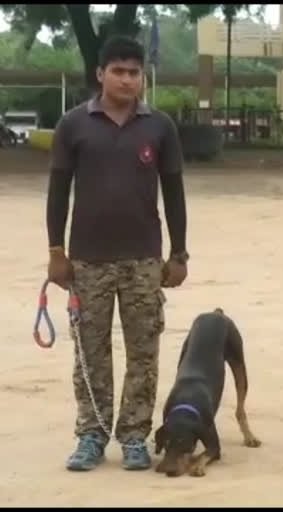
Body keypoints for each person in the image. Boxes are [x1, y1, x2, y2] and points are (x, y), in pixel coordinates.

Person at [46, 35, 189, 471]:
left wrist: (179, 254)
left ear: (142, 77)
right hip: (87, 260)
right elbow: (57, 192)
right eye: (119, 71)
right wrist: (56, 251)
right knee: (90, 353)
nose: (127, 80)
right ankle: (90, 435)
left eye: (134, 72)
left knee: (143, 352)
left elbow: (175, 193)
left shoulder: (160, 126)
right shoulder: (73, 125)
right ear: (100, 74)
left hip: (144, 260)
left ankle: (133, 437)